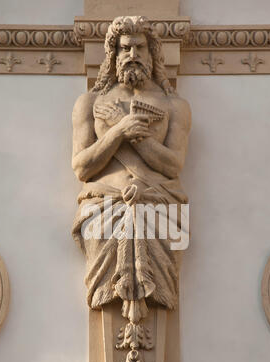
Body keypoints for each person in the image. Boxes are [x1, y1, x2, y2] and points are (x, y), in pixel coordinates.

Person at [72, 16, 191, 324]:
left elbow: (173, 164)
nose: (132, 55)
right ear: (113, 55)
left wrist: (136, 138)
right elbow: (82, 166)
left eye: (140, 48)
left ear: (153, 55)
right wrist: (118, 131)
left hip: (159, 205)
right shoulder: (89, 103)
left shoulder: (174, 105)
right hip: (104, 205)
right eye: (125, 48)